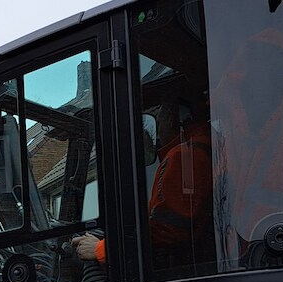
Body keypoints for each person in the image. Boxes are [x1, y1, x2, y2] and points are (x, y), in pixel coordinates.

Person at [71, 91, 213, 272]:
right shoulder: (209, 146)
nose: (158, 133)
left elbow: (168, 229)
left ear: (172, 120)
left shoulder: (184, 156)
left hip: (181, 269)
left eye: (160, 120)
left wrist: (102, 249)